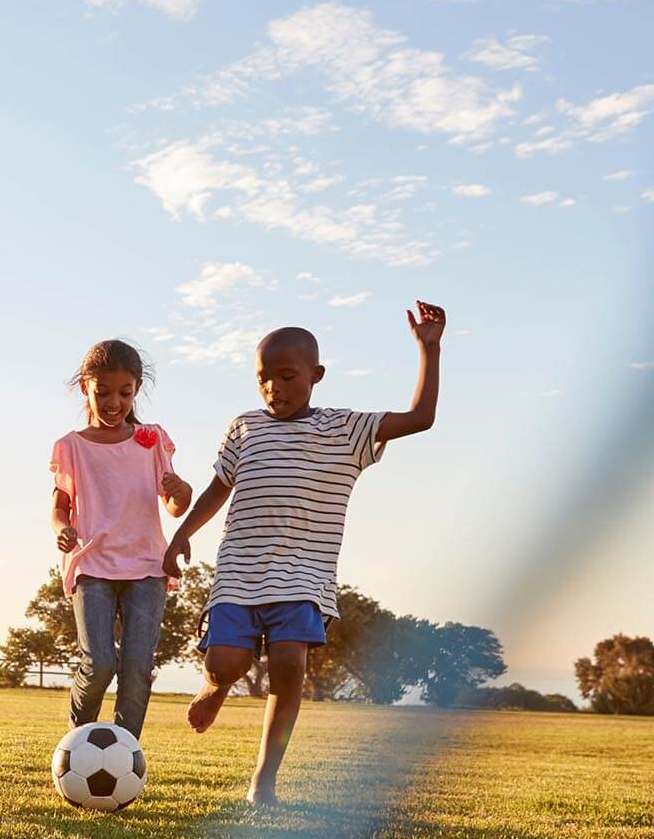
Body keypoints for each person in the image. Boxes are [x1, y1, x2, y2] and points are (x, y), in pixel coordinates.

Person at [163, 302, 447, 804]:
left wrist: (429, 349)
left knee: (289, 663)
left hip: (303, 576)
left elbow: (421, 418)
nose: (274, 387)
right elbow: (217, 487)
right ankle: (215, 688)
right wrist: (182, 534)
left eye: (287, 376)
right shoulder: (244, 427)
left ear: (315, 375)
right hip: (239, 572)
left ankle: (264, 781)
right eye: (263, 378)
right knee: (224, 664)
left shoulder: (345, 430)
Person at [48, 340, 192, 741]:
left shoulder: (151, 440)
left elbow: (175, 506)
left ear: (136, 389)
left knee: (136, 667)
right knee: (99, 664)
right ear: (85, 389)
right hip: (92, 565)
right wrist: (63, 530)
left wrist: (183, 490)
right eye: (103, 392)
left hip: (147, 566)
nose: (114, 402)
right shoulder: (72, 447)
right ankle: (77, 745)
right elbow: (59, 506)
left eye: (124, 393)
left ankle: (124, 751)